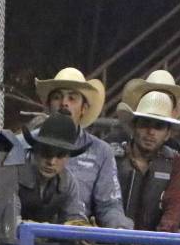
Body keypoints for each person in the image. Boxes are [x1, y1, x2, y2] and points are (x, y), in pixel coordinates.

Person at [34, 67, 132, 230]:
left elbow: (109, 205)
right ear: (48, 106)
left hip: (78, 242)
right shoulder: (25, 144)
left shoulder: (101, 152)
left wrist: (120, 228)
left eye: (72, 98)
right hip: (31, 240)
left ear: (84, 109)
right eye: (57, 97)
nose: (64, 103)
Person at [112, 71, 180, 234]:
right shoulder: (112, 154)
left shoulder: (177, 160)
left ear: (168, 133)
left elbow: (175, 203)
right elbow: (105, 202)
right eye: (145, 124)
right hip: (113, 237)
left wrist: (164, 233)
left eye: (158, 126)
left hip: (154, 242)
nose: (151, 132)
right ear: (134, 126)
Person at [17, 113, 89, 225]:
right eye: (46, 152)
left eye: (60, 155)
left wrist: (81, 229)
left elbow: (74, 216)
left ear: (68, 157)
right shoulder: (13, 173)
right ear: (35, 150)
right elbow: (7, 220)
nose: (51, 162)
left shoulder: (68, 182)